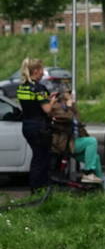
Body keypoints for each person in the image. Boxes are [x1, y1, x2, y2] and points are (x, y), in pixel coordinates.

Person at [15, 58, 59, 192]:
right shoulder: (39, 88)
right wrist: (52, 100)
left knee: (37, 156)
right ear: (35, 71)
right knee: (42, 158)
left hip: (27, 126)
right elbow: (47, 110)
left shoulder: (22, 87)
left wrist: (45, 98)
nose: (43, 72)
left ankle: (36, 188)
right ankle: (39, 188)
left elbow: (30, 104)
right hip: (39, 127)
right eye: (41, 70)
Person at [50, 89, 103, 185]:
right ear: (62, 96)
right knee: (92, 141)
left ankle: (99, 185)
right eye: (69, 93)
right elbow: (67, 118)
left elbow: (78, 121)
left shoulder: (70, 107)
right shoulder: (56, 107)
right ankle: (88, 173)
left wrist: (72, 106)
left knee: (96, 157)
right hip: (65, 143)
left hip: (73, 142)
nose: (71, 95)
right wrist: (69, 106)